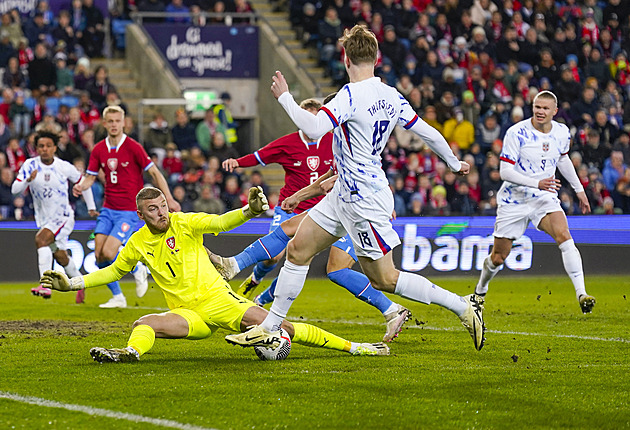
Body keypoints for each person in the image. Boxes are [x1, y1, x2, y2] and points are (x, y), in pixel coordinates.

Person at [224, 25, 485, 352]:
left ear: (346, 59)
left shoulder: (349, 95)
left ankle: (463, 306)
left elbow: (316, 128)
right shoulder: (391, 95)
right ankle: (269, 327)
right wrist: (453, 163)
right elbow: (427, 132)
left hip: (362, 198)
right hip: (344, 193)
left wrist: (285, 98)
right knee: (297, 249)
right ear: (376, 58)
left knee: (384, 279)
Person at [39, 187, 389, 362]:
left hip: (221, 302)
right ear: (140, 213)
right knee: (144, 322)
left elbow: (220, 221)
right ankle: (129, 354)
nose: (161, 213)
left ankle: (358, 347)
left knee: (282, 327)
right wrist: (73, 283)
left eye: (163, 205)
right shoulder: (137, 242)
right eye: (152, 210)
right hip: (188, 315)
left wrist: (249, 211)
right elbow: (114, 269)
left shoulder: (184, 222)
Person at [216, 97, 411, 343]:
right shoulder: (290, 142)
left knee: (335, 268)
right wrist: (238, 162)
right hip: (305, 209)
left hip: (339, 212)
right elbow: (261, 156)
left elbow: (371, 170)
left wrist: (384, 204)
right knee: (281, 255)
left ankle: (256, 294)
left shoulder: (339, 139)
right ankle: (252, 281)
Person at [474, 91, 596, 314]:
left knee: (564, 235)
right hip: (514, 199)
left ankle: (582, 294)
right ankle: (480, 291)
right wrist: (535, 182)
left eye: (545, 108)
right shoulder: (516, 133)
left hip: (543, 197)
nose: (540, 111)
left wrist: (579, 190)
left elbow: (563, 158)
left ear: (555, 111)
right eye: (537, 107)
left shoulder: (561, 132)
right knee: (499, 257)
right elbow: (504, 171)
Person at [73, 106, 181, 309]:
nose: (114, 124)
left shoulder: (133, 147)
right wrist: (81, 186)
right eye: (110, 121)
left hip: (129, 210)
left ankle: (138, 268)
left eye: (117, 121)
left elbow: (155, 174)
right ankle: (118, 297)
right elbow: (90, 176)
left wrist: (169, 199)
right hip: (108, 208)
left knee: (109, 250)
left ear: (124, 123)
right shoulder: (98, 149)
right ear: (104, 124)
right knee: (98, 255)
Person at [11, 131, 96, 302]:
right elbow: (14, 189)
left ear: (54, 148)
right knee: (60, 256)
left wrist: (91, 207)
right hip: (44, 218)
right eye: (41, 146)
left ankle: (45, 285)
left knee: (41, 240)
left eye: (48, 146)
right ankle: (81, 283)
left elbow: (83, 183)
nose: (45, 149)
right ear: (36, 148)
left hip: (63, 216)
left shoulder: (63, 167)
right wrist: (27, 180)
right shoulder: (29, 165)